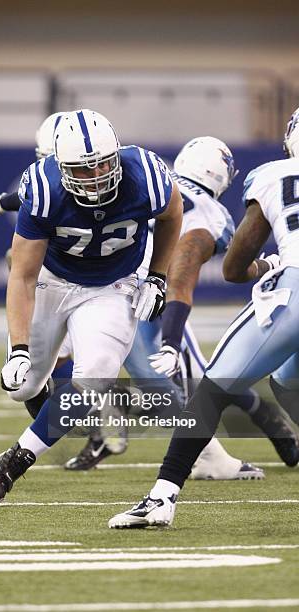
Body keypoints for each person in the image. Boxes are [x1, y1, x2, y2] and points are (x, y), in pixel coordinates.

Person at [0, 108, 184, 507]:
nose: (95, 176)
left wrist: (157, 277)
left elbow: (173, 215)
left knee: (97, 374)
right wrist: (18, 348)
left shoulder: (147, 175)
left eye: (103, 164)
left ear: (116, 154)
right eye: (82, 170)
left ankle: (10, 464)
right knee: (24, 387)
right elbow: (21, 275)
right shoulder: (43, 187)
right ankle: (69, 409)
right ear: (59, 165)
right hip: (53, 280)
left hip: (113, 283)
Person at [108, 108, 299, 529]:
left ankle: (161, 497)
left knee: (211, 390)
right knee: (284, 382)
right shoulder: (211, 214)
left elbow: (232, 268)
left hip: (109, 288)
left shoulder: (272, 175)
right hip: (152, 299)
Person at [65, 137, 298, 476]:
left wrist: (4, 204)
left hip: (98, 286)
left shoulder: (152, 181)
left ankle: (111, 423)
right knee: (180, 377)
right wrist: (172, 340)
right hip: (147, 296)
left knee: (164, 378)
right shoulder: (213, 215)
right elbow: (183, 277)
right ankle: (214, 443)